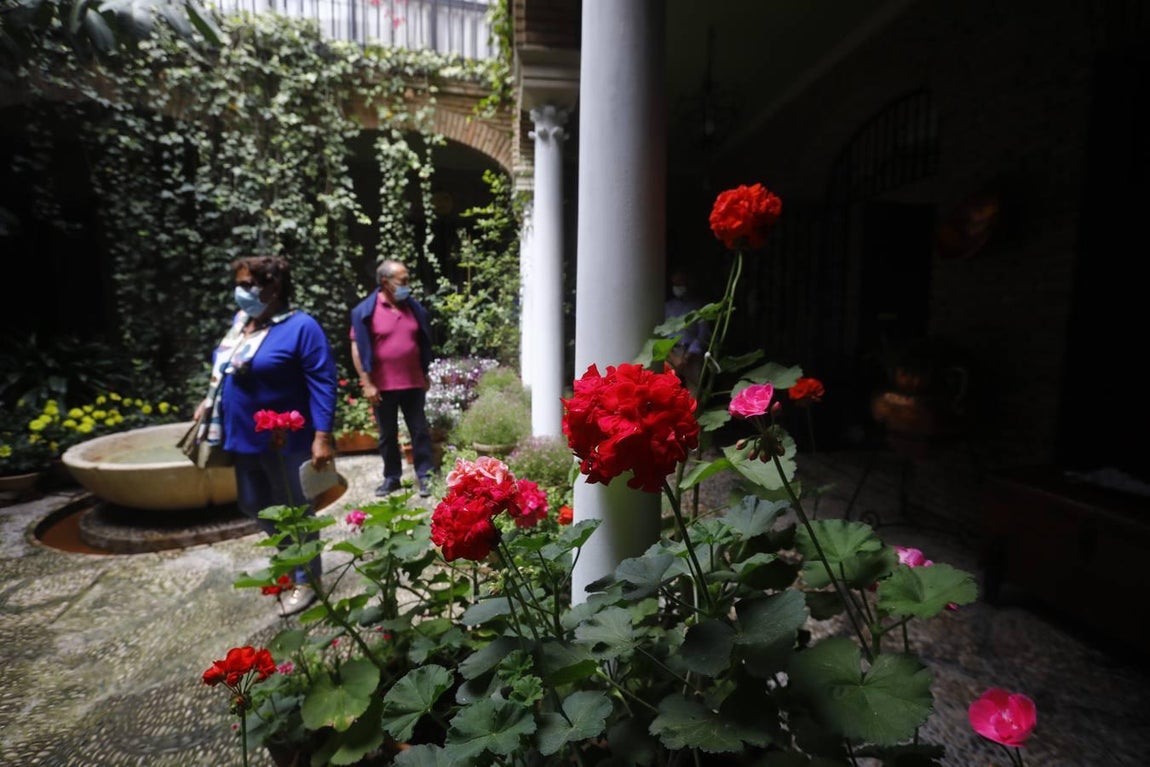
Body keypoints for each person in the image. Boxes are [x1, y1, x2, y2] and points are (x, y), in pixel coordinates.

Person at [195, 255, 338, 616]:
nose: (239, 292)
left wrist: (322, 436)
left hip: (287, 440)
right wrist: (209, 401)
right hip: (244, 436)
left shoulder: (301, 327)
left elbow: (322, 382)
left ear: (273, 287)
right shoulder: (242, 323)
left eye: (247, 285)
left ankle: (308, 579)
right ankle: (293, 556)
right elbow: (227, 368)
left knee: (296, 509)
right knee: (251, 502)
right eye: (239, 284)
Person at [349, 259, 436, 498]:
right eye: (403, 281)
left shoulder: (413, 308)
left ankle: (426, 476)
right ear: (385, 282)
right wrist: (367, 383)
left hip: (413, 382)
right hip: (382, 386)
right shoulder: (365, 312)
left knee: (419, 430)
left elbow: (421, 342)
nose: (407, 285)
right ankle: (392, 478)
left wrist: (425, 373)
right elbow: (357, 349)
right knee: (387, 435)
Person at [664, 268, 710, 390]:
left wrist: (688, 355)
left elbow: (703, 332)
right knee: (668, 388)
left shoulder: (698, 306)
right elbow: (661, 334)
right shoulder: (667, 307)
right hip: (672, 352)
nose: (678, 287)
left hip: (692, 352)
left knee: (694, 389)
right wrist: (673, 357)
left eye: (681, 283)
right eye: (675, 284)